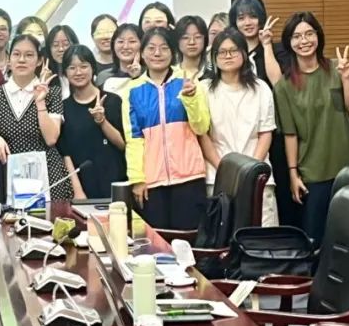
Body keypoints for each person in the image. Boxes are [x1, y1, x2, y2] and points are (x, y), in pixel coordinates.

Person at [274, 13, 349, 244]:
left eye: (309, 34)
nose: (304, 41)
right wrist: (293, 174)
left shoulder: (338, 69)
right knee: (317, 239)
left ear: (318, 36)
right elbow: (290, 134)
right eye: (296, 36)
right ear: (289, 42)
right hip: (313, 172)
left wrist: (346, 79)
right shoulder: (284, 86)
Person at [124, 27, 211, 230]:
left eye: (164, 48)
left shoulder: (188, 81)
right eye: (151, 48)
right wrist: (137, 179)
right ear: (141, 53)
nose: (157, 53)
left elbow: (201, 127)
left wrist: (191, 99)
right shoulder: (133, 90)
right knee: (156, 241)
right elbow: (133, 138)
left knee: (189, 240)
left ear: (173, 52)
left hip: (189, 177)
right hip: (151, 182)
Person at [200, 27, 278, 225]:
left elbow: (265, 132)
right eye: (222, 52)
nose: (228, 56)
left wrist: (250, 171)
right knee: (223, 236)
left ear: (244, 53)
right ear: (214, 57)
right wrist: (226, 170)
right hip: (217, 176)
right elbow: (203, 134)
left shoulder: (261, 88)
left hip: (258, 177)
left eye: (233, 50)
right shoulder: (204, 89)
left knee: (261, 235)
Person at [228, 0, 293, 225]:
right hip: (241, 132)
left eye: (252, 16)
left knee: (278, 191)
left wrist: (266, 46)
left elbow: (278, 83)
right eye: (241, 17)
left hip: (274, 129)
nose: (247, 22)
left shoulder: (278, 50)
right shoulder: (230, 53)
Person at [0, 34, 72, 200]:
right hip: (10, 176)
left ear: (39, 60)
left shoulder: (52, 93)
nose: (22, 60)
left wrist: (40, 102)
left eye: (29, 55)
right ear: (8, 59)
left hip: (49, 176)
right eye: (16, 54)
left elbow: (51, 139)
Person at [59, 45, 126, 200]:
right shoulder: (63, 107)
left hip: (115, 182)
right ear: (65, 73)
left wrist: (102, 121)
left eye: (84, 66)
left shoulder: (112, 101)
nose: (78, 72)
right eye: (72, 68)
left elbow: (122, 144)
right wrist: (78, 191)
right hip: (83, 186)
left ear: (93, 68)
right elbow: (66, 154)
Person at [100, 23, 143, 96]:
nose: (125, 47)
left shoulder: (151, 76)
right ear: (113, 45)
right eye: (120, 41)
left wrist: (137, 77)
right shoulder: (105, 78)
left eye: (132, 41)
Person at [44, 25, 79, 99]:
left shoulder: (82, 73)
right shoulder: (45, 77)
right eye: (55, 45)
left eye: (66, 44)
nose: (61, 49)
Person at [174, 15, 208, 80]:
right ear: (177, 41)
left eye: (197, 37)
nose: (192, 42)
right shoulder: (170, 75)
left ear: (205, 39)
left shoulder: (214, 74)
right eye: (185, 37)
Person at [90, 13, 118, 83]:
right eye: (100, 33)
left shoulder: (128, 61)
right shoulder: (88, 65)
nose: (106, 37)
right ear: (92, 37)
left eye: (110, 32)